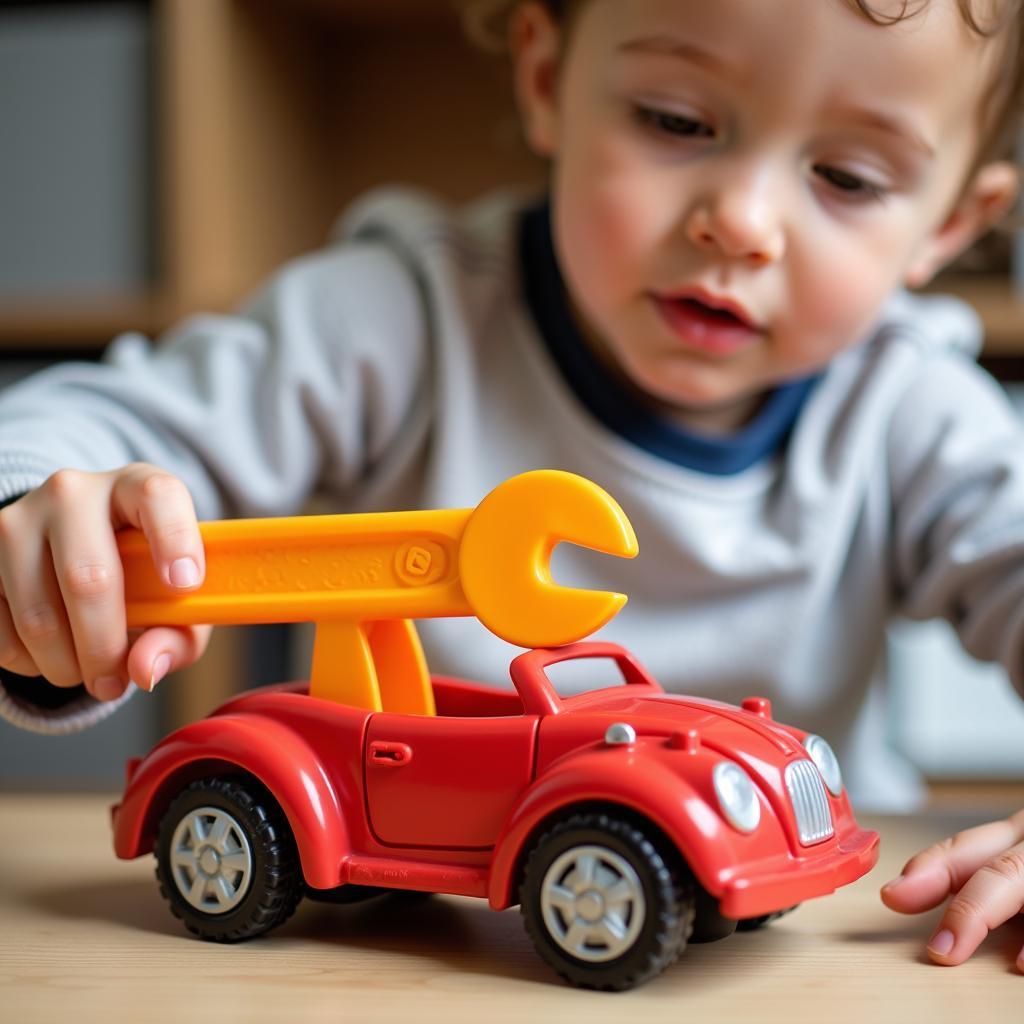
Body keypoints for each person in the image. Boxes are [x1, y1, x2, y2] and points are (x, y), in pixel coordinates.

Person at [0, 0, 1022, 970]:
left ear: (946, 225)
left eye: (846, 176)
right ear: (544, 77)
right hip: (436, 947)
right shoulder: (393, 321)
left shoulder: (911, 409)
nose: (742, 221)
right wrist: (44, 527)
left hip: (828, 944)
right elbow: (104, 422)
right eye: (675, 119)